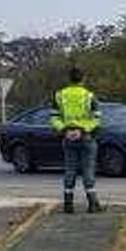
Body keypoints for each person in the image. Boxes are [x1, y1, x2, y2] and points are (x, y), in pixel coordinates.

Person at [50, 67, 103, 213]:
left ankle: (68, 204)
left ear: (69, 79)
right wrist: (83, 129)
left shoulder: (59, 95)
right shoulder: (89, 96)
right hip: (85, 136)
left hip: (67, 136)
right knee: (88, 169)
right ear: (83, 79)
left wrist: (64, 130)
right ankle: (93, 204)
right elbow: (97, 118)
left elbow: (53, 117)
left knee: (70, 169)